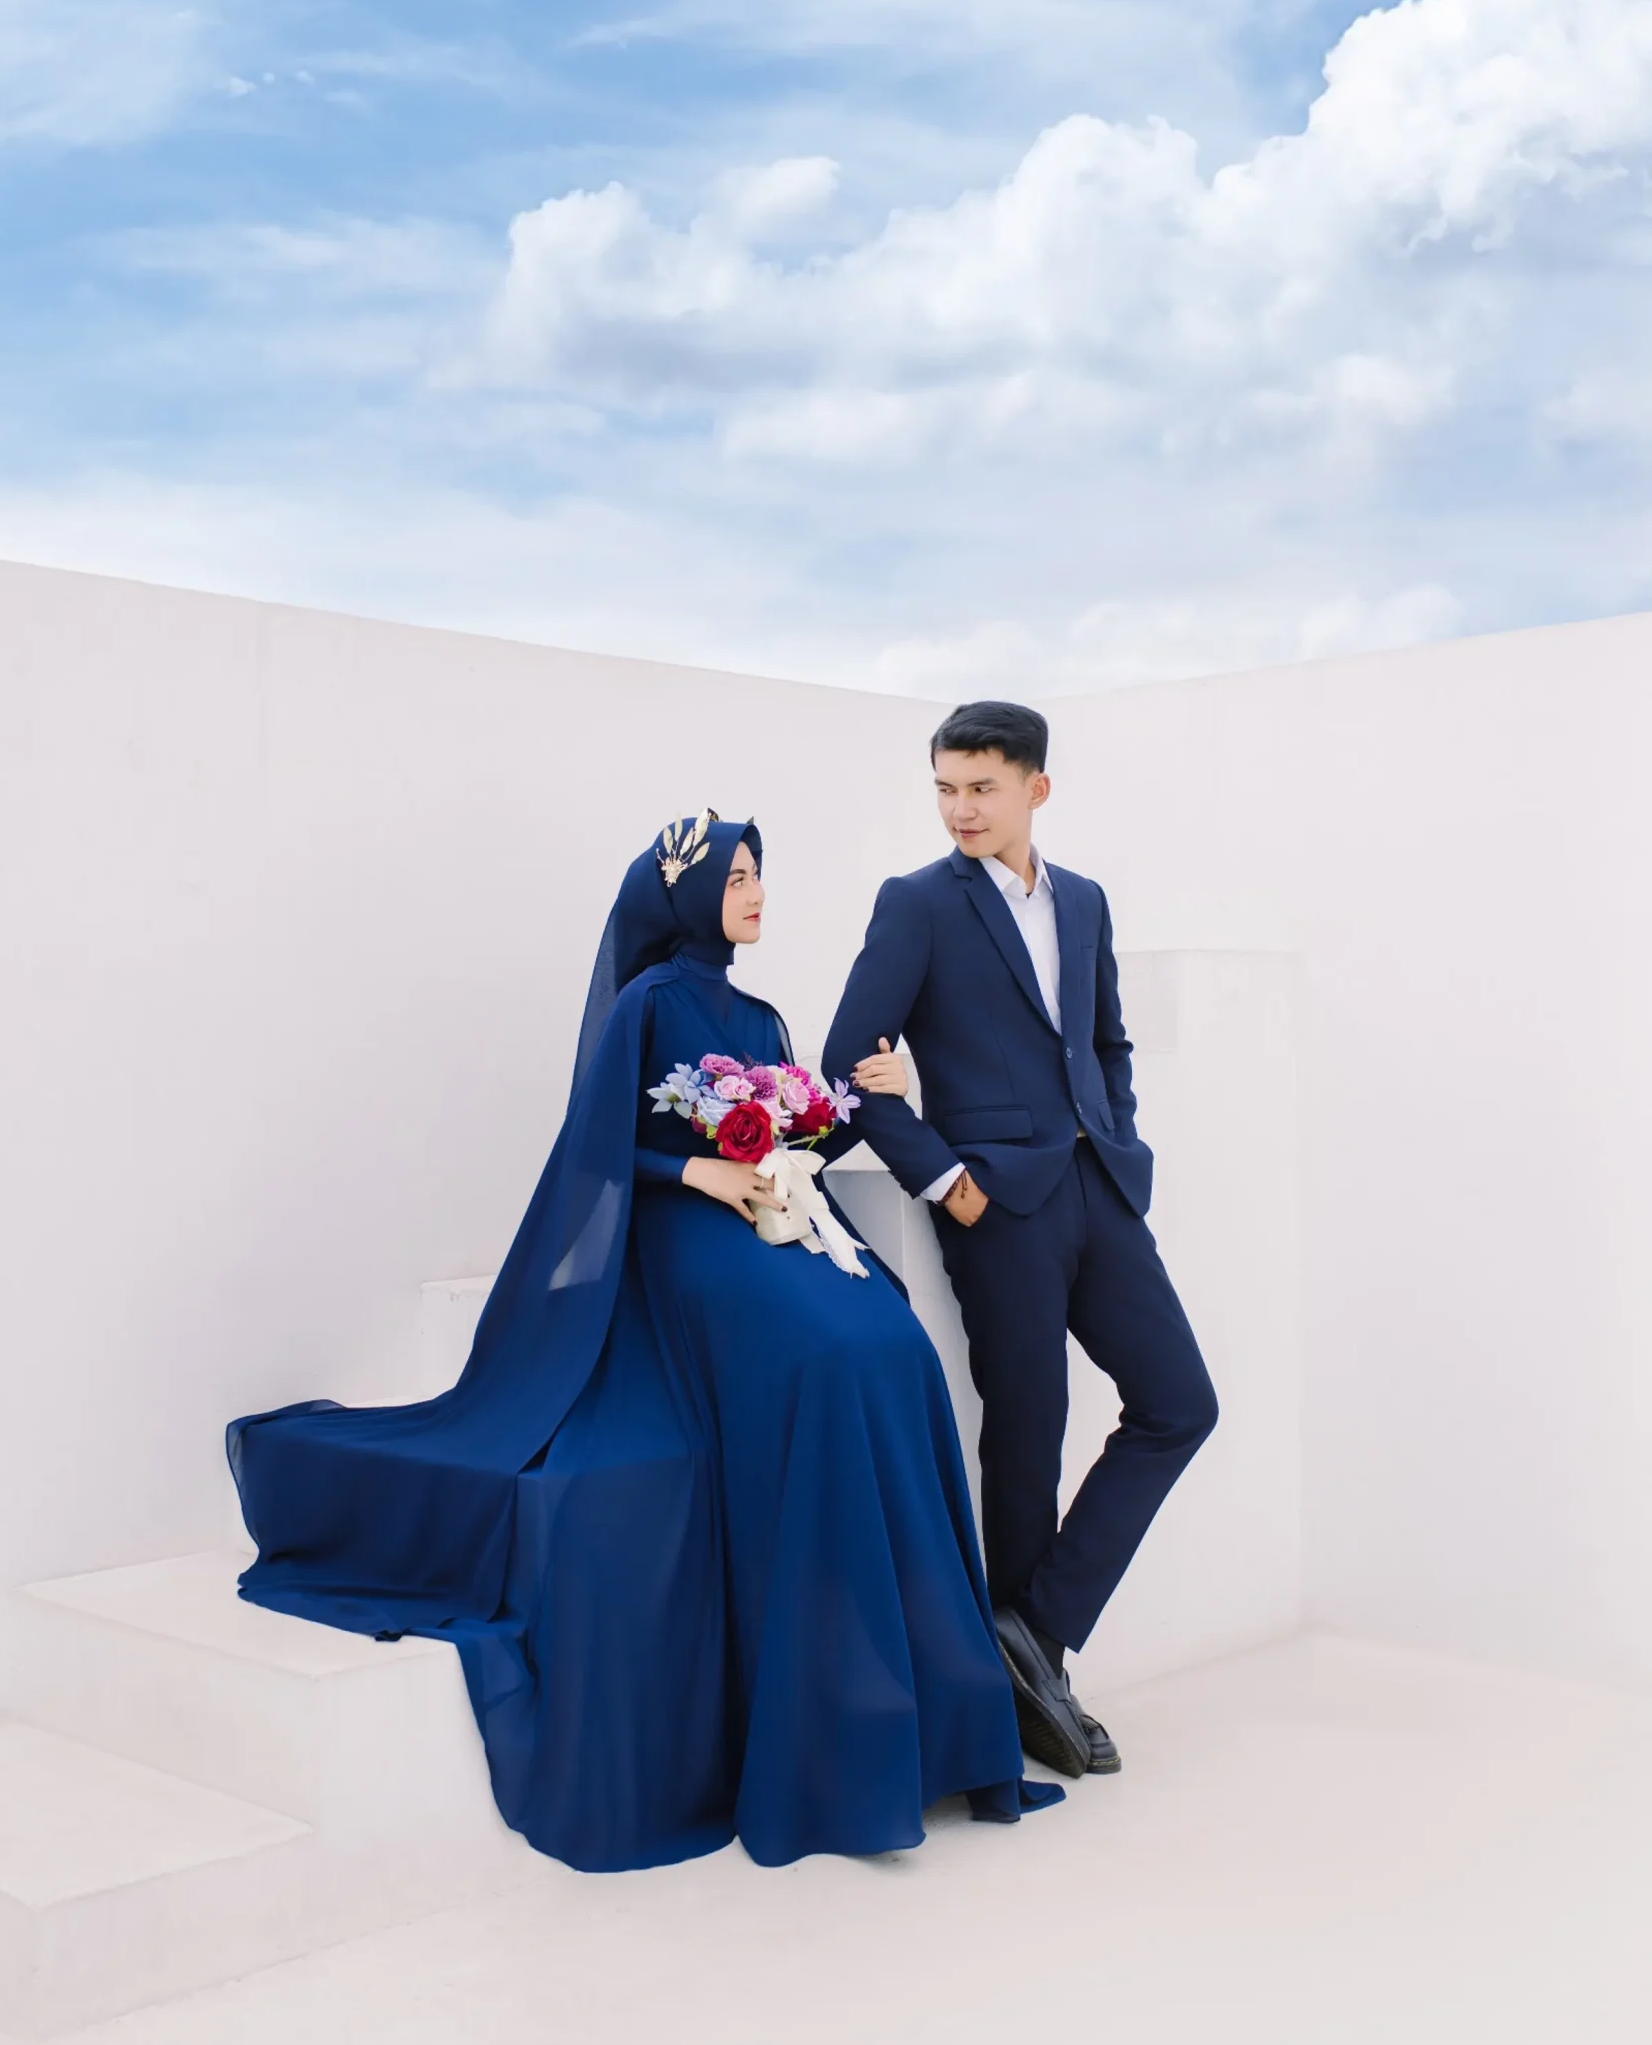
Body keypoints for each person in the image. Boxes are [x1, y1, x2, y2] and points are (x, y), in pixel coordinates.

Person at [228, 813, 1059, 1872]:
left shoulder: (759, 1015)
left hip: (767, 1227)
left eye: (760, 875)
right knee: (827, 1359)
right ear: (687, 892)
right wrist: (692, 1169)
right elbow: (594, 1142)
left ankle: (930, 1703)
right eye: (738, 877)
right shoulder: (649, 1003)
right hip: (678, 1236)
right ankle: (839, 1709)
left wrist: (866, 1101)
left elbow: (797, 1134)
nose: (757, 893)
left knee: (894, 1346)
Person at [821, 703, 1218, 1779]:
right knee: (1029, 1431)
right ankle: (1038, 1690)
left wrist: (1117, 1135)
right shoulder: (917, 903)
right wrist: (946, 1180)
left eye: (982, 788)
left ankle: (1031, 1634)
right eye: (946, 788)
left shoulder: (1082, 901)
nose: (960, 809)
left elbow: (1105, 1039)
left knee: (1180, 1403)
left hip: (1100, 1187)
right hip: (997, 1203)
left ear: (1035, 789)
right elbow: (849, 1060)